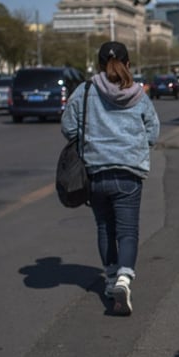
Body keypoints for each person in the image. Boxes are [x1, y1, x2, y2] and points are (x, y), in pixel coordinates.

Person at [61, 41, 160, 316]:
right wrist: (136, 144)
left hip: (95, 172)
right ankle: (125, 280)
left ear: (98, 64)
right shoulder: (138, 94)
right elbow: (153, 130)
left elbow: (69, 127)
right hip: (129, 172)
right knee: (127, 231)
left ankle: (109, 280)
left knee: (105, 228)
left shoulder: (85, 90)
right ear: (127, 64)